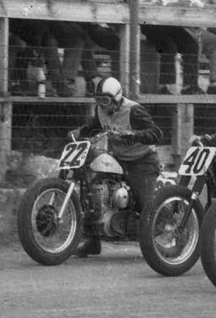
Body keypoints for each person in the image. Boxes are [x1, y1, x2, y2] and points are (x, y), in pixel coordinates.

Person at [67, 75, 162, 254]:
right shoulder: (101, 110)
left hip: (142, 161)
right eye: (98, 100)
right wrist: (79, 132)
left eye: (105, 100)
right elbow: (95, 125)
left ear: (116, 99)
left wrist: (133, 135)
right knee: (92, 191)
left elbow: (156, 133)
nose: (102, 104)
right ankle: (93, 241)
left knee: (146, 207)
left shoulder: (134, 111)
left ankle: (157, 241)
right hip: (117, 158)